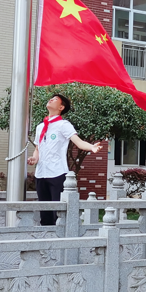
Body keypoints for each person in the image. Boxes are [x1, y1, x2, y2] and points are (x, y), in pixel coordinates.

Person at [27, 94, 101, 225]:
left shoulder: (63, 125)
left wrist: (91, 147)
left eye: (55, 99)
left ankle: (61, 237)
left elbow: (78, 142)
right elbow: (38, 149)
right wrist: (34, 158)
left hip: (57, 173)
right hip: (41, 174)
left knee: (58, 214)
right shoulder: (40, 127)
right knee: (44, 214)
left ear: (61, 107)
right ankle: (47, 237)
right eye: (51, 98)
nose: (51, 99)